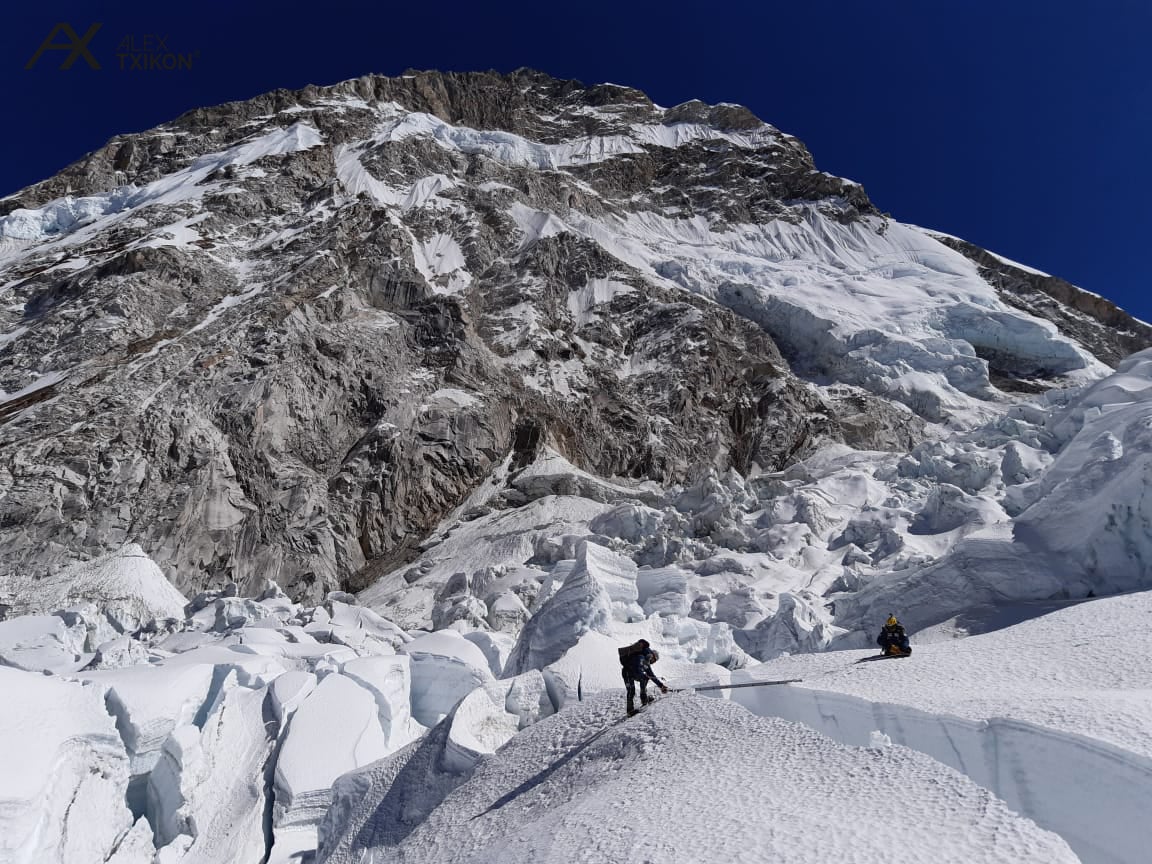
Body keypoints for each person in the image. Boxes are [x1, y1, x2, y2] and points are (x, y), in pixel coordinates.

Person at [619, 639, 668, 716]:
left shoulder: (646, 662)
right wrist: (643, 674)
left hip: (629, 673)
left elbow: (652, 676)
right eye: (654, 660)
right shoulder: (641, 657)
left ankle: (643, 699)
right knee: (632, 690)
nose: (653, 662)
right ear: (652, 656)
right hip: (627, 673)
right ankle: (631, 710)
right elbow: (637, 667)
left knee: (644, 679)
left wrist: (661, 685)